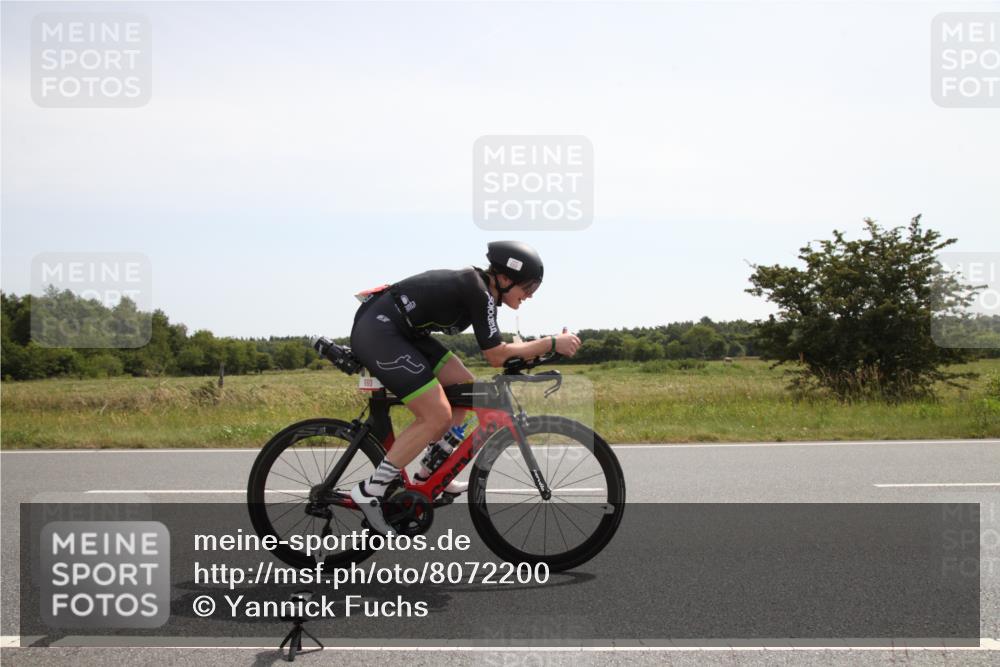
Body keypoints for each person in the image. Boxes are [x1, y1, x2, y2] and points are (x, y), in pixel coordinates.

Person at [348, 241, 581, 535]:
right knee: (436, 415)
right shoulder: (478, 291)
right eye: (529, 288)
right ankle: (371, 490)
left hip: (403, 332)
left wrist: (543, 352)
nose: (530, 296)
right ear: (506, 279)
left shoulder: (482, 292)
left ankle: (428, 471)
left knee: (465, 389)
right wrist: (550, 342)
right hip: (381, 330)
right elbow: (496, 354)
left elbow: (502, 351)